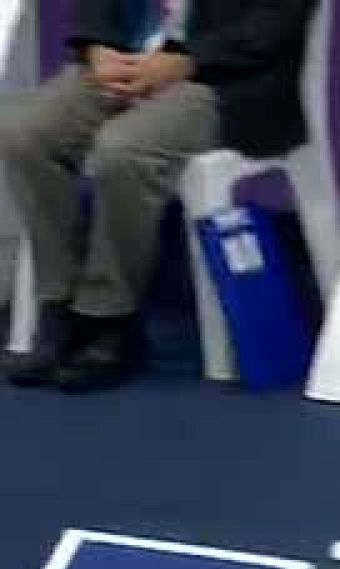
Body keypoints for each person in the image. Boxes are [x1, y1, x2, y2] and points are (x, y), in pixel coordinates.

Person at [0, 0, 318, 393]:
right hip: (125, 61)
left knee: (123, 149)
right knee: (24, 135)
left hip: (225, 80)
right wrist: (99, 47)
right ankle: (59, 305)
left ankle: (108, 316)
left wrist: (186, 61)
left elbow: (272, 27)